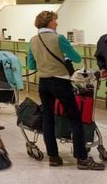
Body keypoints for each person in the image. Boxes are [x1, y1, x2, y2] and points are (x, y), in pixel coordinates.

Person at [27, 11, 104, 170]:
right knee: (75, 119)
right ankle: (82, 158)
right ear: (49, 22)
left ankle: (53, 157)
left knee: (48, 119)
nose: (57, 23)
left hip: (43, 83)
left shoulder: (33, 40)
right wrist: (65, 57)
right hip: (61, 82)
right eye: (55, 20)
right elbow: (76, 58)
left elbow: (31, 66)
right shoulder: (59, 38)